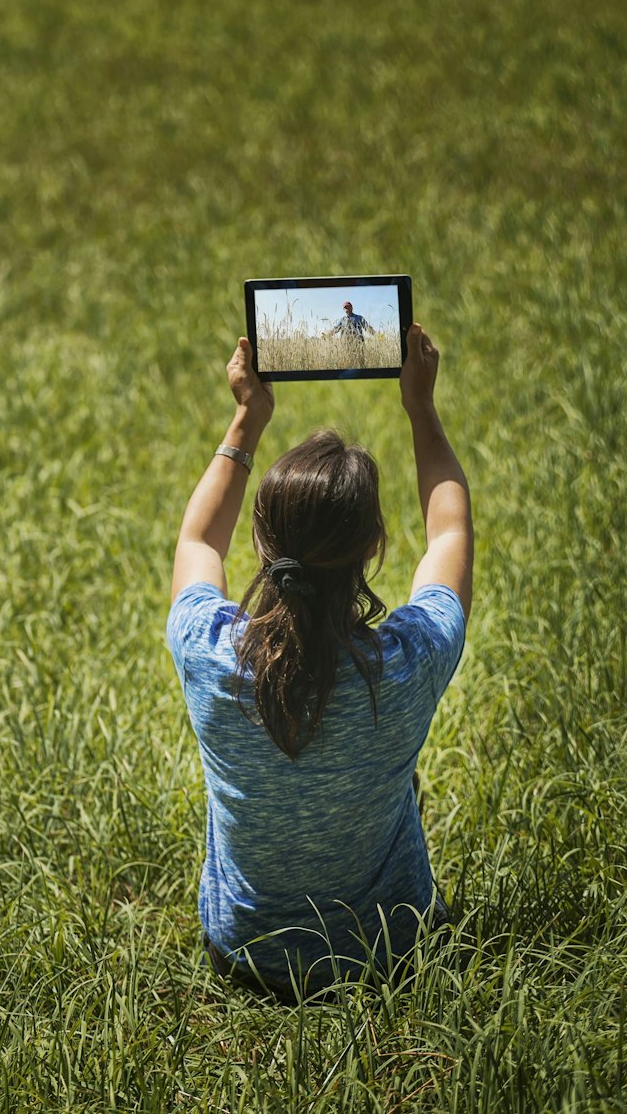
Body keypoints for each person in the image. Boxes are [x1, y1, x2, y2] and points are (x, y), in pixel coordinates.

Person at [166, 324, 471, 1002]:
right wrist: (421, 408)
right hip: (389, 949)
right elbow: (450, 531)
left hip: (243, 945)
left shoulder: (207, 650)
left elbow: (196, 539)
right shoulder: (404, 663)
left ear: (261, 539)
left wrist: (247, 417)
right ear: (373, 547)